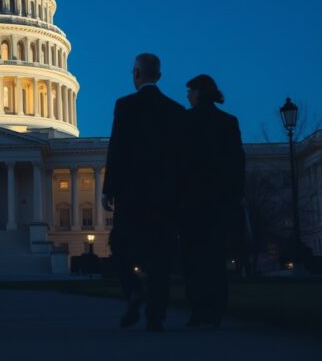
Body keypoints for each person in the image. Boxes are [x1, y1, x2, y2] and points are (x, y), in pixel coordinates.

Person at [103, 53, 186, 332]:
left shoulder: (125, 106)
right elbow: (182, 158)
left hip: (131, 194)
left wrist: (108, 189)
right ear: (159, 76)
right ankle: (156, 316)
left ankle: (134, 290)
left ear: (136, 74)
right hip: (165, 196)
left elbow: (117, 150)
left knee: (120, 248)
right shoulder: (176, 110)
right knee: (161, 257)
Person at [180, 74, 245, 328]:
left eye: (189, 91)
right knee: (216, 260)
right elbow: (237, 162)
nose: (187, 96)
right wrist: (235, 196)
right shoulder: (228, 122)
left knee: (192, 260)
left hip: (191, 201)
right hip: (219, 201)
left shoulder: (185, 120)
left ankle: (197, 311)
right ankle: (216, 312)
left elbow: (178, 163)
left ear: (198, 92)